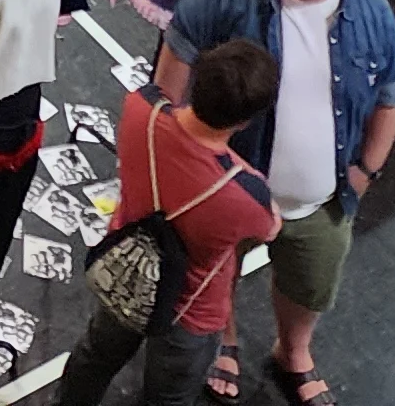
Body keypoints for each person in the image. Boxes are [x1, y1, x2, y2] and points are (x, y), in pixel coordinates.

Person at [154, 0, 395, 406]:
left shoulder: (374, 17)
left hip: (321, 200)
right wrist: (181, 156)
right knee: (216, 269)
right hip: (229, 189)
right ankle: (224, 341)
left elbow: (391, 96)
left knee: (311, 284)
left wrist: (365, 171)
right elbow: (171, 72)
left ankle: (294, 352)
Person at [61, 37, 278, 406]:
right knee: (169, 396)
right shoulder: (247, 193)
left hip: (126, 275)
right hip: (190, 311)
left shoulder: (140, 110)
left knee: (95, 357)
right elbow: (270, 229)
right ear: (245, 121)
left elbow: (160, 90)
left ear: (196, 80)